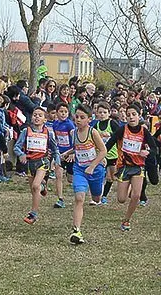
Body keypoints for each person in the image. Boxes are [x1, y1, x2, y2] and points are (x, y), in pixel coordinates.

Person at [103, 103, 157, 231]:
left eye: (134, 114)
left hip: (138, 167)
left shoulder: (144, 131)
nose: (131, 117)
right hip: (124, 167)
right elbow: (110, 143)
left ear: (139, 115)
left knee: (136, 196)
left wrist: (148, 152)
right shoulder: (122, 130)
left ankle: (126, 220)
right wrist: (102, 157)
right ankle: (129, 187)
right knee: (121, 199)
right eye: (128, 115)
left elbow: (154, 148)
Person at [61, 104, 108, 244]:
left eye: (82, 117)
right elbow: (77, 147)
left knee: (96, 197)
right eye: (77, 117)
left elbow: (103, 151)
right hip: (80, 169)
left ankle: (99, 191)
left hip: (95, 169)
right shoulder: (73, 133)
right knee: (79, 198)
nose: (78, 120)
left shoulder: (93, 132)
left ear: (89, 119)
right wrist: (68, 153)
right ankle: (76, 231)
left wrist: (93, 166)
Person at [14, 107, 61, 225]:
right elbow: (16, 147)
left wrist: (57, 160)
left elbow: (55, 148)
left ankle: (33, 214)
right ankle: (44, 187)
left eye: (40, 115)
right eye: (35, 114)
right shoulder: (26, 131)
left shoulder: (48, 132)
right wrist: (21, 154)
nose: (37, 117)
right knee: (34, 190)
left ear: (45, 119)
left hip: (42, 162)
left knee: (35, 186)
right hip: (30, 163)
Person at [93, 101, 120, 205]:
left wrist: (110, 134)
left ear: (109, 113)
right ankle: (98, 196)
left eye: (104, 112)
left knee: (111, 177)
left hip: (112, 154)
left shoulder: (112, 123)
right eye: (100, 112)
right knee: (99, 175)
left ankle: (104, 196)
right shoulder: (96, 125)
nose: (102, 114)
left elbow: (119, 134)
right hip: (100, 155)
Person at [52, 102, 75, 208]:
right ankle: (60, 199)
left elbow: (75, 139)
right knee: (58, 176)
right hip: (60, 154)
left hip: (70, 154)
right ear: (57, 113)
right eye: (61, 111)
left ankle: (80, 192)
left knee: (70, 179)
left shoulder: (69, 124)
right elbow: (55, 138)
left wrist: (73, 153)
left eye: (66, 112)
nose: (63, 114)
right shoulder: (55, 124)